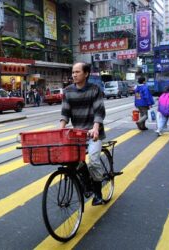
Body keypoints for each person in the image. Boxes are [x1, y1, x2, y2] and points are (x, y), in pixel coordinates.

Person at [60, 62, 106, 206]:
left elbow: (99, 111)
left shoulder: (94, 89)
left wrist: (96, 128)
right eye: (73, 72)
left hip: (94, 133)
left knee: (92, 160)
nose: (74, 75)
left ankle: (98, 194)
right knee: (73, 161)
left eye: (77, 72)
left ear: (86, 74)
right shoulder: (68, 91)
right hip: (77, 134)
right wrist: (61, 129)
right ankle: (87, 186)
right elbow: (65, 113)